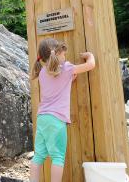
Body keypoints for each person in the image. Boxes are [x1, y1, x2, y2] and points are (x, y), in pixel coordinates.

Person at [29, 38, 96, 182]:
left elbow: (54, 87)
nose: (65, 57)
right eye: (64, 54)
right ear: (57, 54)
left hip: (42, 118)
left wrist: (69, 79)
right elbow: (91, 65)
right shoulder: (66, 68)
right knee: (57, 157)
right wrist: (89, 56)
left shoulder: (42, 72)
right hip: (56, 120)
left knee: (38, 155)